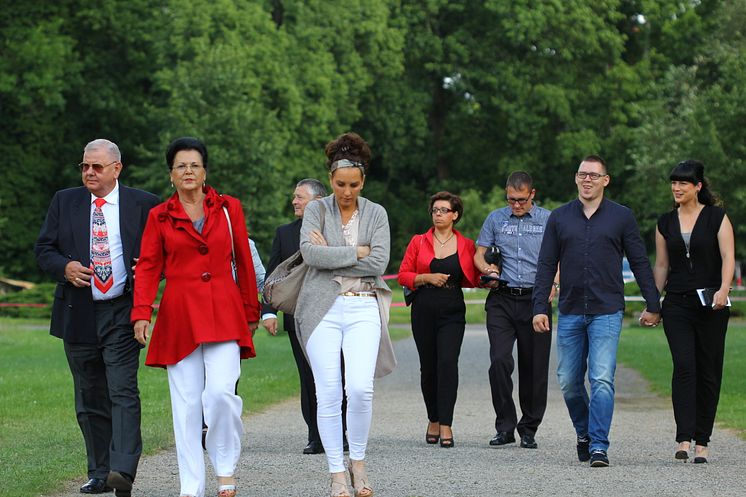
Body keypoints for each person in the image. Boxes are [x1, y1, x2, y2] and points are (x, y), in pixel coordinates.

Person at [131, 137, 260, 497]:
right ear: (171, 174)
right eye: (180, 166)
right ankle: (192, 487)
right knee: (186, 406)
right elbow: (148, 267)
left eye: (194, 165)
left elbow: (244, 262)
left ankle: (224, 467)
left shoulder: (229, 208)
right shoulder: (159, 215)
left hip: (225, 312)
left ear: (204, 172)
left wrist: (252, 309)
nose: (188, 171)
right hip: (179, 316)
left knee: (220, 394)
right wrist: (141, 312)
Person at [34, 139, 160, 496]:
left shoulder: (144, 204)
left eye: (97, 167)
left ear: (116, 169)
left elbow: (166, 252)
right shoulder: (65, 201)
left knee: (122, 390)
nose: (89, 172)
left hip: (123, 311)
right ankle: (99, 471)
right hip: (78, 312)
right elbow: (44, 249)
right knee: (89, 396)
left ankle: (122, 470)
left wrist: (151, 268)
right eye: (85, 166)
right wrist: (65, 267)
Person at [532, 155, 661, 468]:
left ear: (606, 179)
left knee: (602, 379)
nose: (586, 179)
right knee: (568, 381)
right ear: (576, 179)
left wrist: (653, 303)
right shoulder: (560, 217)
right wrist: (539, 307)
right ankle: (584, 433)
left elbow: (641, 262)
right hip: (571, 310)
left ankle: (599, 445)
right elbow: (547, 264)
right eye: (581, 174)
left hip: (607, 309)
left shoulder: (622, 217)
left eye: (593, 175)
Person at [295, 132, 395, 497]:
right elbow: (310, 255)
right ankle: (337, 471)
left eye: (354, 184)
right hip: (321, 307)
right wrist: (357, 251)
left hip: (363, 303)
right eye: (340, 184)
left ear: (363, 180)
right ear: (330, 179)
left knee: (360, 388)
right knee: (329, 393)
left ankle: (359, 463)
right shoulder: (317, 210)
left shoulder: (377, 213)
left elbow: (380, 261)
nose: (347, 192)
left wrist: (335, 252)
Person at [653, 160, 734, 464]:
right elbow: (662, 265)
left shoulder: (717, 218)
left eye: (683, 183)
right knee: (685, 367)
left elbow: (728, 256)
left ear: (697, 186)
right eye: (673, 183)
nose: (676, 188)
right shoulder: (664, 223)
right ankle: (683, 438)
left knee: (709, 370)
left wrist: (724, 288)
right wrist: (653, 303)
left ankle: (703, 440)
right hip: (677, 304)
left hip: (712, 303)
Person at [474, 172, 555, 450]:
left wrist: (554, 282)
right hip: (502, 298)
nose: (516, 205)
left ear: (533, 194)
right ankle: (505, 426)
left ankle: (529, 427)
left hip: (536, 299)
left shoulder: (548, 219)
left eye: (521, 200)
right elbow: (479, 252)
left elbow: (559, 255)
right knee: (499, 360)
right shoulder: (496, 218)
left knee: (534, 367)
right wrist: (488, 269)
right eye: (511, 199)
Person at [398, 191, 478, 448]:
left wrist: (491, 270)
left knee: (447, 363)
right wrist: (426, 278)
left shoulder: (466, 244)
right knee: (428, 367)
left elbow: (475, 277)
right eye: (435, 210)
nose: (438, 214)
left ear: (455, 215)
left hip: (452, 309)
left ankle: (446, 423)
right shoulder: (419, 241)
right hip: (423, 307)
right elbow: (403, 275)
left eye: (444, 210)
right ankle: (433, 418)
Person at [262, 178, 330, 455]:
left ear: (318, 201)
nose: (294, 201)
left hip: (332, 313)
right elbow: (273, 276)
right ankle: (316, 435)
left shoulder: (337, 230)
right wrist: (268, 310)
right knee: (308, 377)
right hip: (298, 317)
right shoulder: (284, 233)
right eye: (294, 197)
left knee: (337, 375)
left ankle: (342, 432)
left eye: (300, 197)